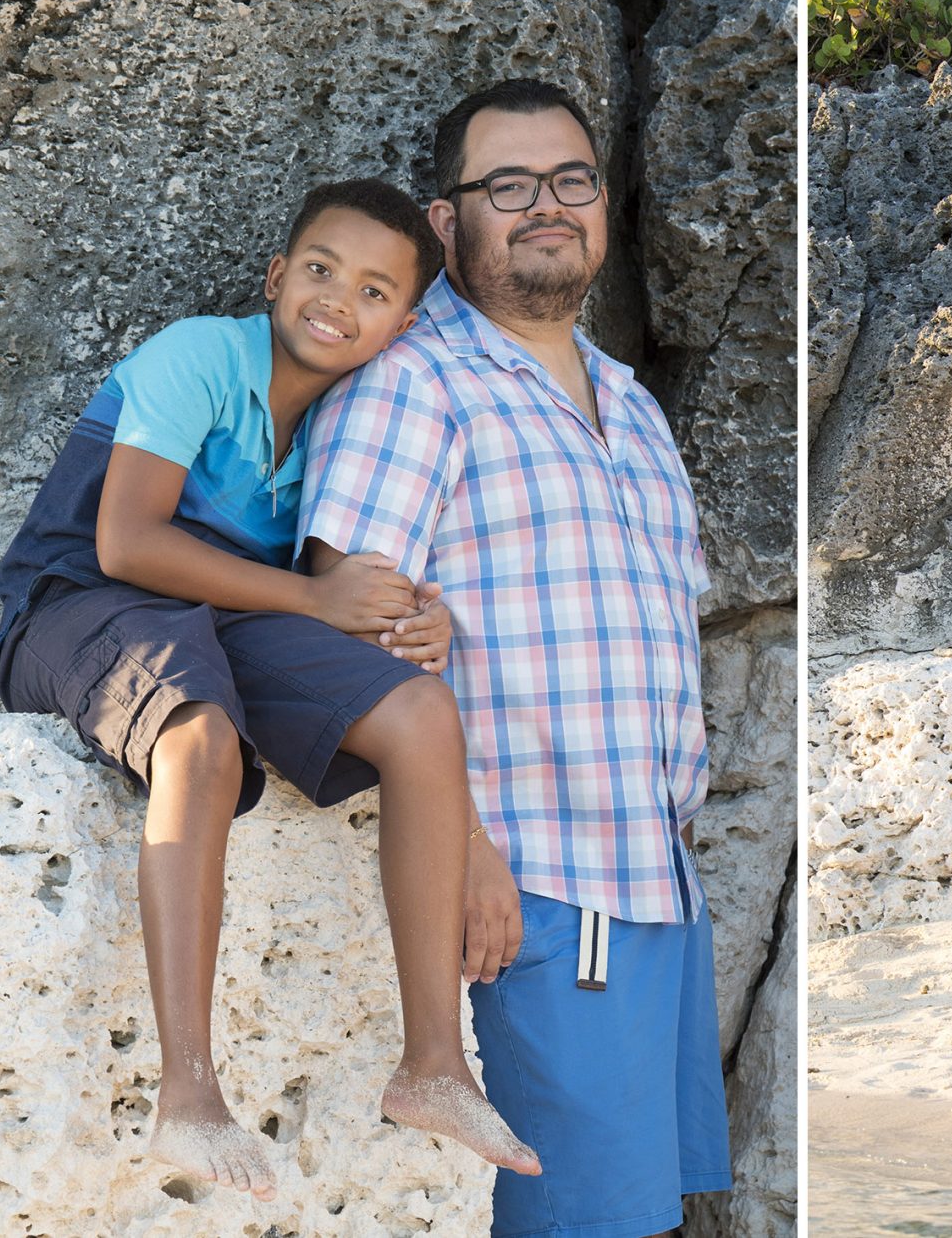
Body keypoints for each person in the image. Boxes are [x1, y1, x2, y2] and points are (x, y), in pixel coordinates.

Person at [0, 180, 537, 1198]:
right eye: (322, 269)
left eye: (374, 290)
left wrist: (422, 618)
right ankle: (188, 1094)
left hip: (223, 617)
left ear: (400, 328)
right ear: (278, 275)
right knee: (199, 735)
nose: (340, 298)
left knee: (419, 709)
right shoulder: (199, 356)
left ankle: (432, 1064)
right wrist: (315, 598)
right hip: (80, 599)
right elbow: (128, 539)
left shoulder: (350, 419)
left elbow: (368, 594)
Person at [298, 80, 727, 1237]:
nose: (546, 205)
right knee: (577, 1222)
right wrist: (470, 847)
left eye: (571, 180)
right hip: (533, 889)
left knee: (643, 1210)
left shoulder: (632, 404)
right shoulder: (413, 385)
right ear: (449, 222)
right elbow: (342, 635)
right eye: (507, 186)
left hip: (653, 881)